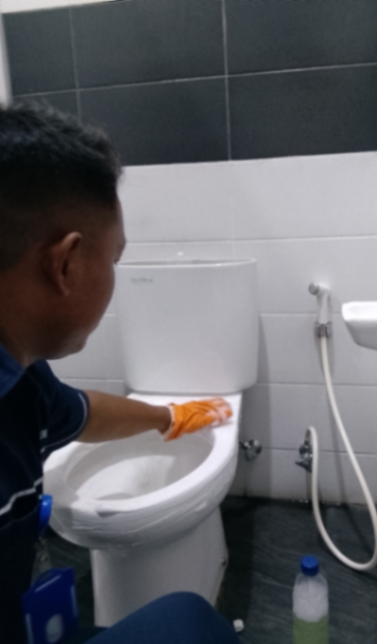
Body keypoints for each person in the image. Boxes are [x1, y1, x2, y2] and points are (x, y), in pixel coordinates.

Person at [0, 102, 239, 644]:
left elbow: (83, 415)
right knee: (196, 625)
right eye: (114, 259)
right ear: (65, 265)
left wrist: (170, 417)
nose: (114, 277)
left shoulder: (26, 382)